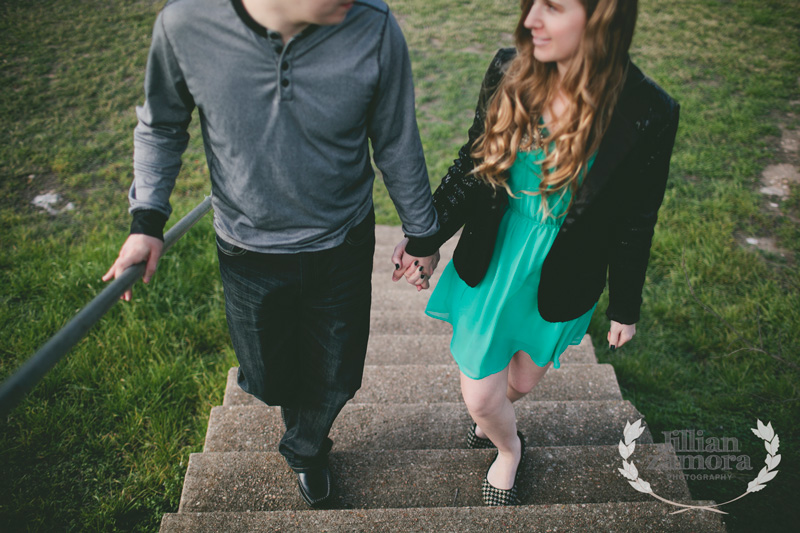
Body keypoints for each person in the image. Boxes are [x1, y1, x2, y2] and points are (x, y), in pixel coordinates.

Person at [102, 0, 439, 508]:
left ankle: (307, 450)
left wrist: (423, 234)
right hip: (247, 251)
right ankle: (297, 416)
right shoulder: (185, 25)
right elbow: (162, 126)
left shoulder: (373, 26)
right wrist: (147, 220)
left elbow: (395, 139)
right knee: (267, 377)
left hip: (342, 244)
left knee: (338, 375)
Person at [392, 0, 679, 506]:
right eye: (531, 5)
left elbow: (637, 219)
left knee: (519, 383)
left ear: (602, 16)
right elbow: (472, 164)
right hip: (497, 259)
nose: (530, 21)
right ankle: (509, 447)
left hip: (566, 273)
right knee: (483, 396)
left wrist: (625, 307)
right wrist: (425, 241)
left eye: (552, 6)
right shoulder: (510, 70)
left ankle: (499, 418)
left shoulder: (650, 110)